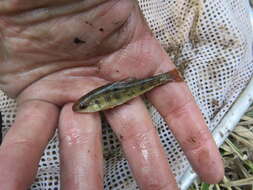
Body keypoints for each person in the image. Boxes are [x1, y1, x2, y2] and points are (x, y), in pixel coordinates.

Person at [0, 0, 224, 189]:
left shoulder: (97, 99)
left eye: (85, 107)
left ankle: (166, 77)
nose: (82, 110)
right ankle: (166, 77)